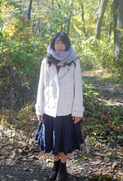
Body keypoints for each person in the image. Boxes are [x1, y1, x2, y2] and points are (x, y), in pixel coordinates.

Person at [35, 32, 84, 181]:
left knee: (65, 141)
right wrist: (39, 108)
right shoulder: (46, 61)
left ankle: (63, 168)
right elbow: (41, 85)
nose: (60, 46)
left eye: (62, 43)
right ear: (53, 44)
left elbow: (78, 87)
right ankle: (55, 166)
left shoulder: (74, 62)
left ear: (67, 44)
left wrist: (77, 110)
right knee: (53, 140)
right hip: (50, 108)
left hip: (67, 109)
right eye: (57, 43)